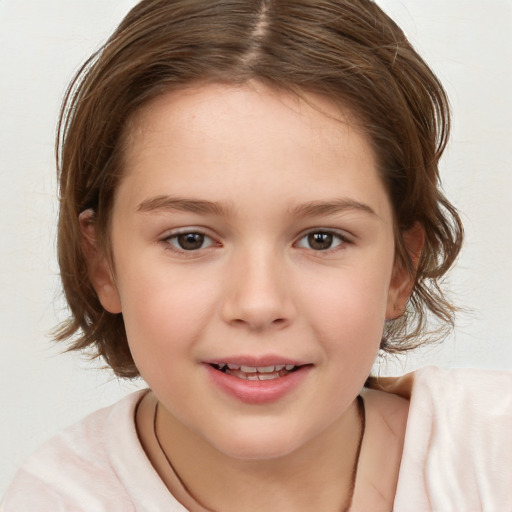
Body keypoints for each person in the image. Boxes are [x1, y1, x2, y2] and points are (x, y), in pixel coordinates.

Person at [2, 0, 511, 510]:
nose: (259, 303)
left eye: (321, 239)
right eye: (190, 239)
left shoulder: (494, 454)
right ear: (102, 264)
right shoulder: (57, 498)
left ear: (400, 268)